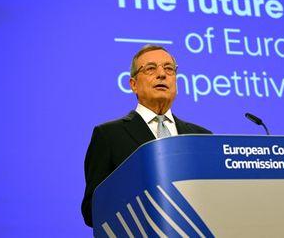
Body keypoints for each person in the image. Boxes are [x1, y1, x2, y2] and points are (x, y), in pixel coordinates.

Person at [81, 45, 212, 227]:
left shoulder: (202, 137)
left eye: (168, 69)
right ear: (133, 84)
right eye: (151, 68)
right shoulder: (108, 135)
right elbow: (91, 211)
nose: (162, 74)